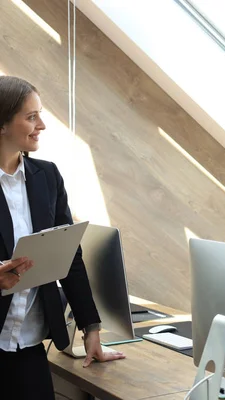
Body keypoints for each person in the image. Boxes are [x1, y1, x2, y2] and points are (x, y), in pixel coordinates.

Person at [0, 76, 125, 399]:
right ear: (2, 125)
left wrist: (91, 327)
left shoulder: (48, 176)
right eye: (31, 117)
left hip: (30, 343)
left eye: (40, 114)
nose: (41, 124)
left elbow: (69, 256)